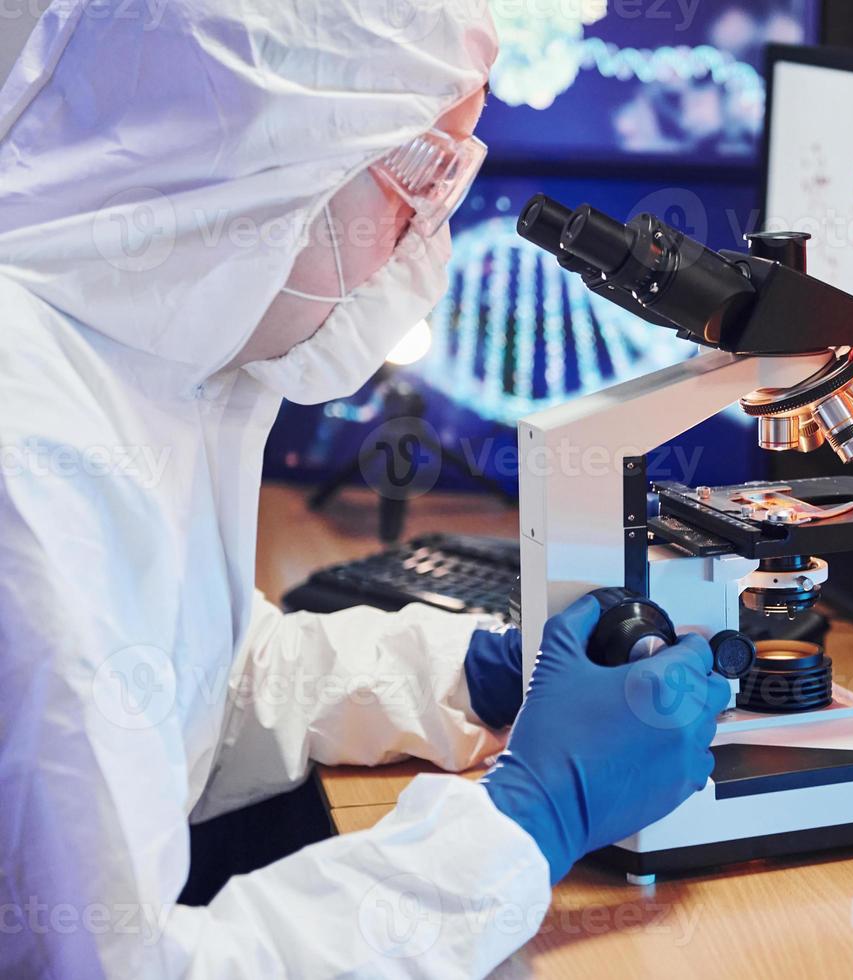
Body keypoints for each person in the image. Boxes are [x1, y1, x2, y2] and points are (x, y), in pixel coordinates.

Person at [0, 2, 726, 976]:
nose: (424, 236)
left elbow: (185, 690)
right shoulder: (29, 464)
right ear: (261, 164)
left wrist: (467, 674)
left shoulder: (136, 362)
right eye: (420, 176)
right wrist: (526, 821)